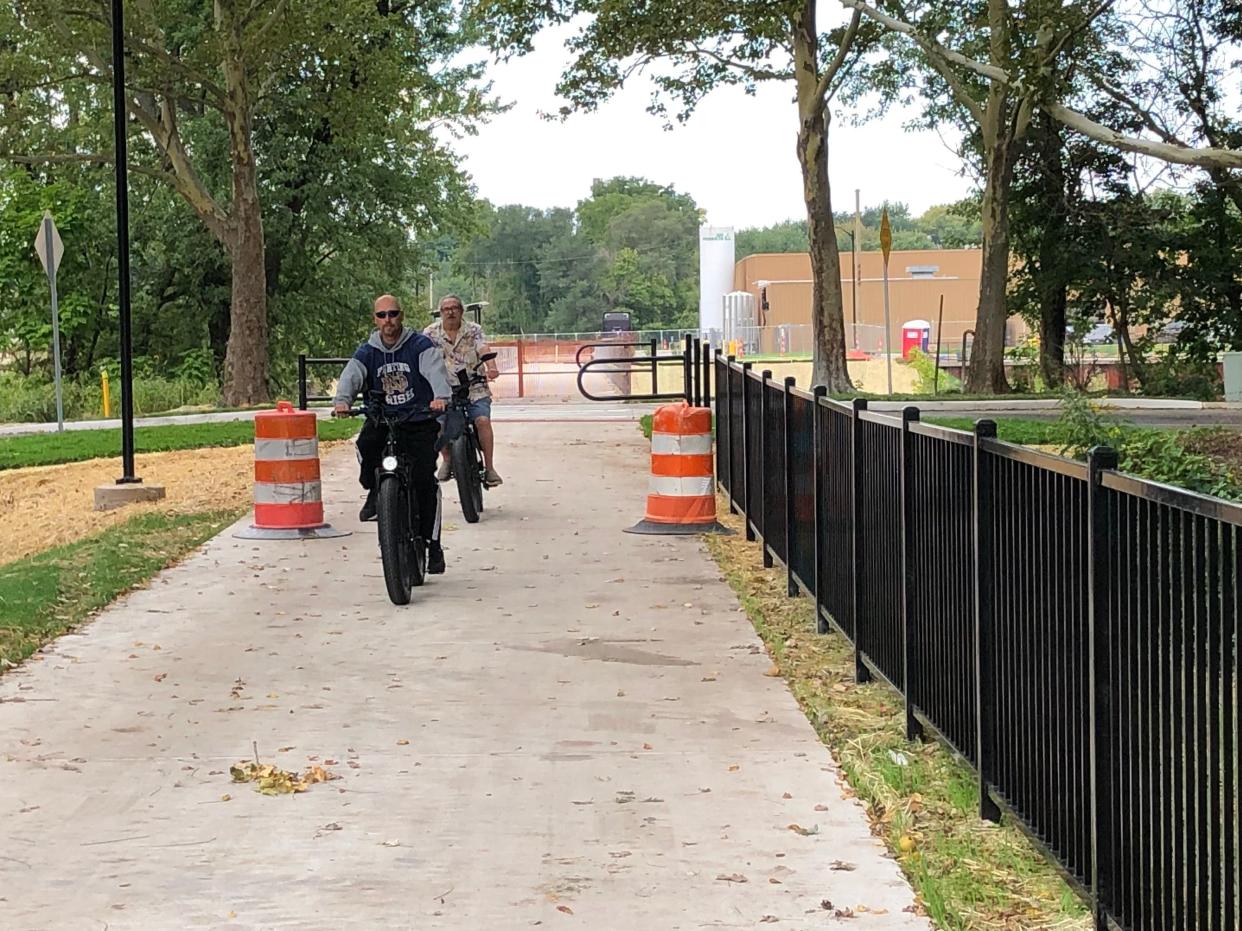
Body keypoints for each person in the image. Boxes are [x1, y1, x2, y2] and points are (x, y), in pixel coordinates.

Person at [333, 294, 452, 574]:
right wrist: (342, 400)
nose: (388, 320)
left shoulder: (419, 345)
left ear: (402, 315)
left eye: (393, 314)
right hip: (382, 419)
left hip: (418, 418)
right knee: (365, 444)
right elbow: (353, 374)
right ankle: (375, 491)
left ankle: (432, 545)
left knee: (424, 480)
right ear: (375, 320)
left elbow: (435, 371)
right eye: (382, 315)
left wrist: (440, 397)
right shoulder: (368, 351)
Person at [424, 295, 503, 486]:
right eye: (446, 309)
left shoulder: (473, 330)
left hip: (473, 387)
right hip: (443, 390)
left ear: (461, 311)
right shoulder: (430, 333)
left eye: (454, 308)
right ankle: (447, 459)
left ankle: (490, 468)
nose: (450, 312)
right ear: (440, 313)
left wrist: (491, 367)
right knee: (436, 423)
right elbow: (423, 356)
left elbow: (483, 348)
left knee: (482, 421)